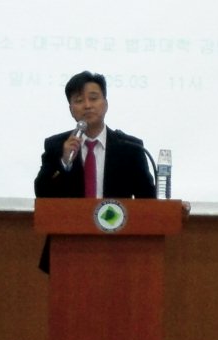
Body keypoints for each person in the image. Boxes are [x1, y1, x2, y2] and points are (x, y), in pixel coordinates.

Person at [34, 71, 156, 272]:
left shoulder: (130, 147)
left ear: (105, 104)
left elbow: (148, 198)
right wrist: (64, 161)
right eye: (79, 101)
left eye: (93, 98)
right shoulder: (57, 146)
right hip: (68, 249)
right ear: (71, 109)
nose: (87, 105)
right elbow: (42, 192)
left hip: (119, 248)